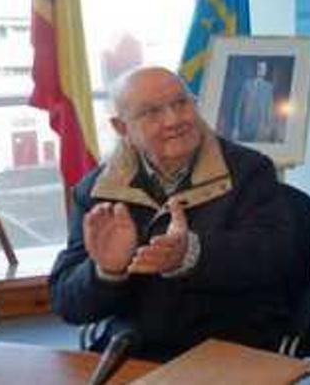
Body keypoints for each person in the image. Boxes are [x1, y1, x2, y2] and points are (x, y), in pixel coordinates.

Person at [49, 66, 296, 362]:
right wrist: (106, 272)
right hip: (137, 349)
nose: (174, 119)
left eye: (181, 103)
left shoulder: (249, 171)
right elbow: (69, 305)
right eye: (151, 112)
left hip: (231, 345)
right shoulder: (97, 190)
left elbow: (277, 260)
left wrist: (191, 254)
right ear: (122, 128)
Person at [232, 60, 278, 142]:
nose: (261, 70)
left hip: (260, 128)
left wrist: (268, 127)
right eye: (260, 68)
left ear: (266, 70)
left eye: (264, 68)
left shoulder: (269, 87)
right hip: (245, 126)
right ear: (256, 69)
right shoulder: (246, 84)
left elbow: (269, 108)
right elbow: (238, 107)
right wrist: (236, 127)